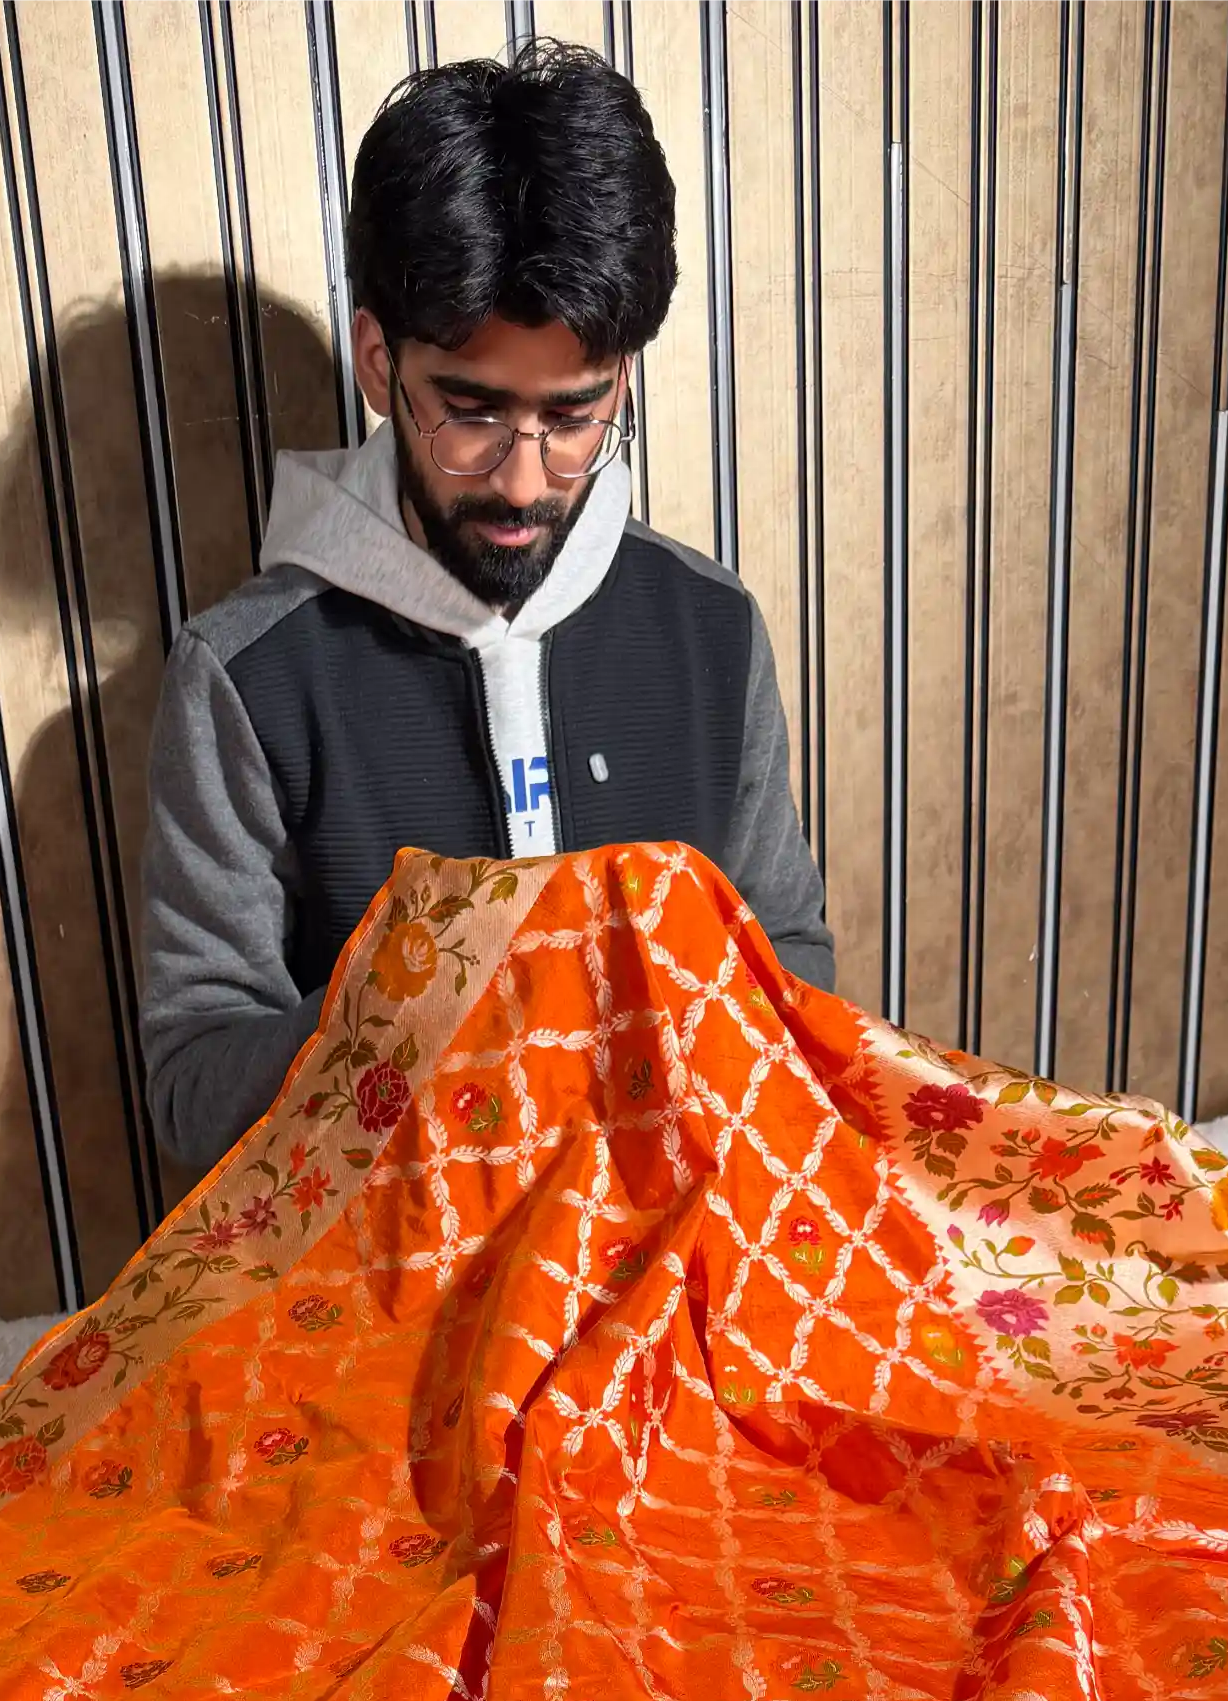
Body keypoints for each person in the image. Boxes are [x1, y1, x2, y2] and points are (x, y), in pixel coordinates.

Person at [139, 41, 836, 1174]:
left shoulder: (709, 629)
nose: (522, 480)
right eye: (467, 413)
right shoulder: (244, 677)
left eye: (573, 416)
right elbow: (193, 1087)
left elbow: (792, 964)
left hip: (675, 1240)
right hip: (385, 1275)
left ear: (621, 379)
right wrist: (428, 990)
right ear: (378, 362)